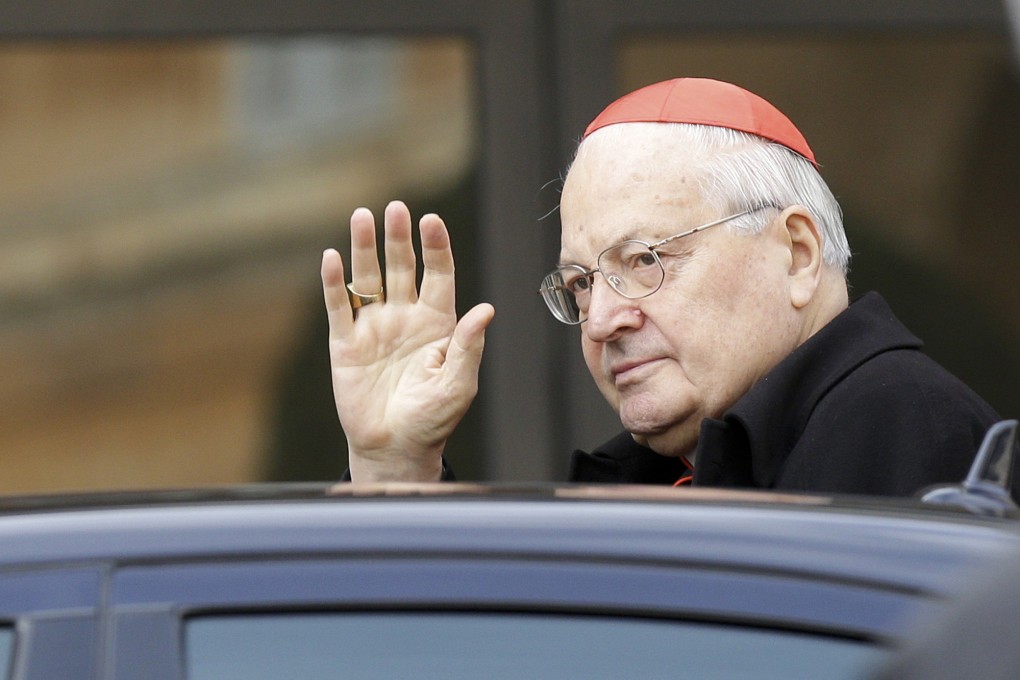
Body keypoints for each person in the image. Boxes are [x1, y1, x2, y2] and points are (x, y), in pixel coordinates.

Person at [321, 77, 1014, 497]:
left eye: (645, 260)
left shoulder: (904, 427)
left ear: (798, 254)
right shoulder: (658, 473)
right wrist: (395, 467)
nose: (600, 323)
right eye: (582, 283)